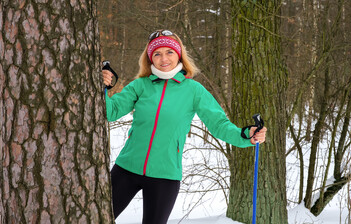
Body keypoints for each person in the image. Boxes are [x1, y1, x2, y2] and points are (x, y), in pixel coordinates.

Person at [102, 29, 267, 224]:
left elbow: (219, 124)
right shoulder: (141, 85)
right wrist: (101, 87)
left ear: (179, 54)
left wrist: (246, 135)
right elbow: (110, 112)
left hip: (165, 176)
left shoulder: (193, 90)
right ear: (150, 59)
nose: (164, 58)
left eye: (169, 52)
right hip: (127, 169)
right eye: (157, 53)